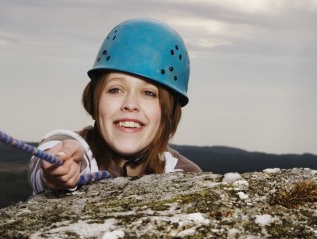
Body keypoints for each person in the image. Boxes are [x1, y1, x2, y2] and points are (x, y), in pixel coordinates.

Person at [29, 18, 201, 193]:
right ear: (95, 100)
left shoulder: (182, 173)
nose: (130, 104)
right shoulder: (80, 153)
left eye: (149, 93)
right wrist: (58, 167)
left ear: (169, 112)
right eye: (116, 90)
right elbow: (52, 151)